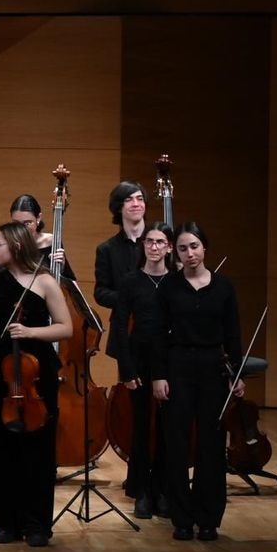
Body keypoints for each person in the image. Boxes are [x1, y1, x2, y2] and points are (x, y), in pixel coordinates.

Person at [0, 221, 71, 547]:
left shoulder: (46, 282)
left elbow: (65, 328)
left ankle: (37, 523)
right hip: (0, 372)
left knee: (37, 453)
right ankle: (4, 523)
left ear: (15, 245)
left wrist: (31, 333)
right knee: (1, 450)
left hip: (36, 375)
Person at [152, 222, 244, 542]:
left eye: (194, 246)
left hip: (212, 369)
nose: (189, 253)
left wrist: (236, 375)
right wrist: (158, 375)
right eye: (182, 248)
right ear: (175, 252)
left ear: (205, 248)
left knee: (211, 446)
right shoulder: (169, 287)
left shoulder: (224, 287)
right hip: (177, 367)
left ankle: (208, 518)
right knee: (176, 445)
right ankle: (181, 518)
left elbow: (233, 336)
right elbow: (157, 335)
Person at [107, 222, 175, 520]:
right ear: (143, 245)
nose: (155, 247)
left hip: (170, 363)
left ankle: (163, 490)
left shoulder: (176, 282)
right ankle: (142, 491)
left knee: (166, 428)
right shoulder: (131, 281)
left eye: (161, 242)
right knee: (141, 428)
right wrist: (126, 369)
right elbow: (120, 327)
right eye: (150, 242)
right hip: (138, 361)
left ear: (169, 247)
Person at [94, 181, 148, 312]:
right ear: (119, 207)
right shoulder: (106, 249)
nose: (136, 204)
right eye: (129, 200)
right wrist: (128, 299)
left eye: (140, 199)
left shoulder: (158, 242)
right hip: (122, 324)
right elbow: (101, 293)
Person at [8, 194, 76, 280]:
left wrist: (62, 267)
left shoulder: (51, 241)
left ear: (38, 218)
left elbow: (70, 281)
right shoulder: (8, 243)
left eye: (27, 223)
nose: (22, 229)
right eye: (16, 223)